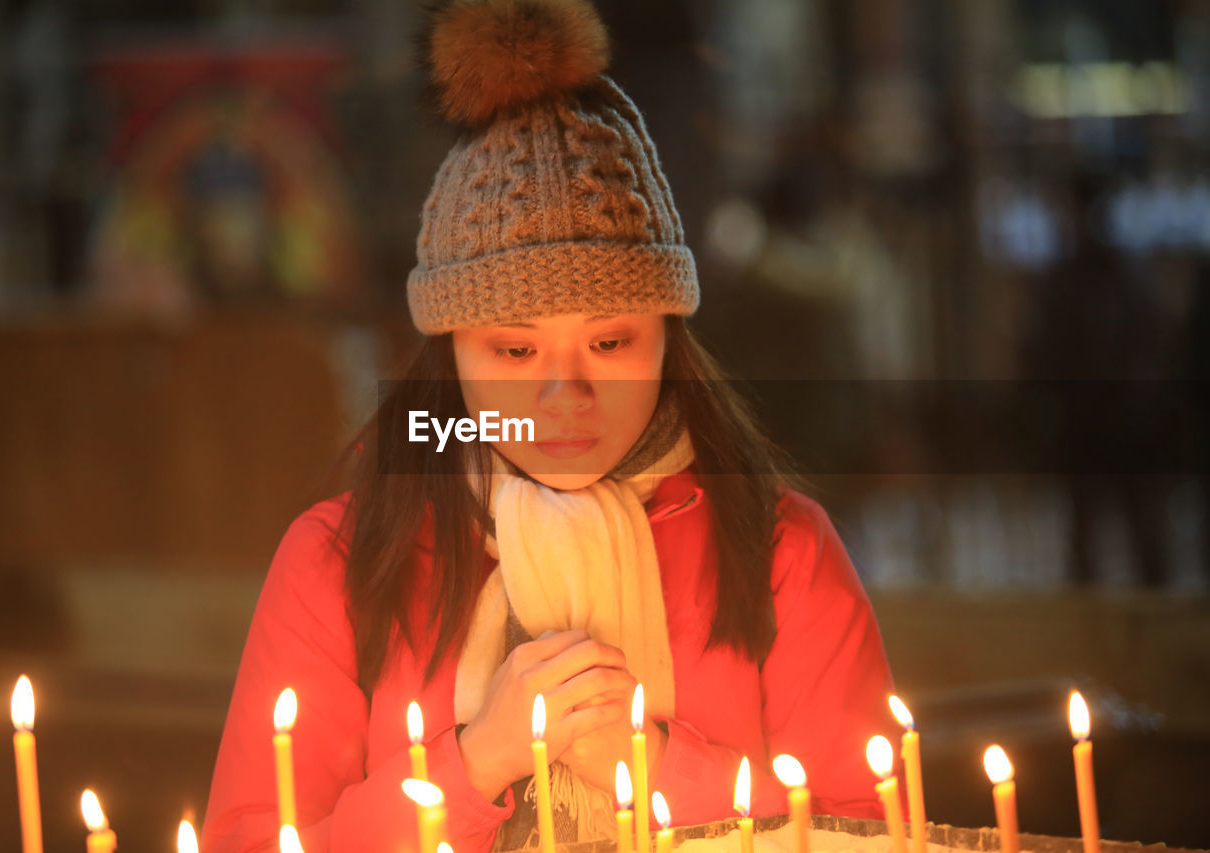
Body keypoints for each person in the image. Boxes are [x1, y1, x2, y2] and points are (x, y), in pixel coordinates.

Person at [202, 1, 898, 850]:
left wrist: (646, 762)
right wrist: (475, 762)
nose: (564, 394)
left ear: (668, 340)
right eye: (515, 349)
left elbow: (870, 831)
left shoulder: (780, 550)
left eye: (610, 341)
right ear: (451, 352)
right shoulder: (340, 562)